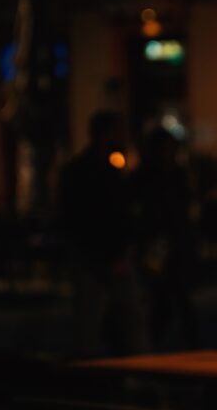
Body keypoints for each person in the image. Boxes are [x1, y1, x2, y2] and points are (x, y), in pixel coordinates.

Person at [58, 111, 149, 356]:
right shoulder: (86, 172)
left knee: (128, 320)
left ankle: (136, 368)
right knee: (92, 324)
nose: (124, 137)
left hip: (110, 255)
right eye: (119, 131)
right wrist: (107, 255)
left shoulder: (107, 169)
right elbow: (85, 219)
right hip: (95, 258)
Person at [133, 127, 199, 349]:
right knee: (163, 295)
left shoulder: (176, 174)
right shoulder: (148, 176)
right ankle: (156, 342)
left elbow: (185, 206)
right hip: (157, 242)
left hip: (174, 241)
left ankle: (186, 343)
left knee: (178, 296)